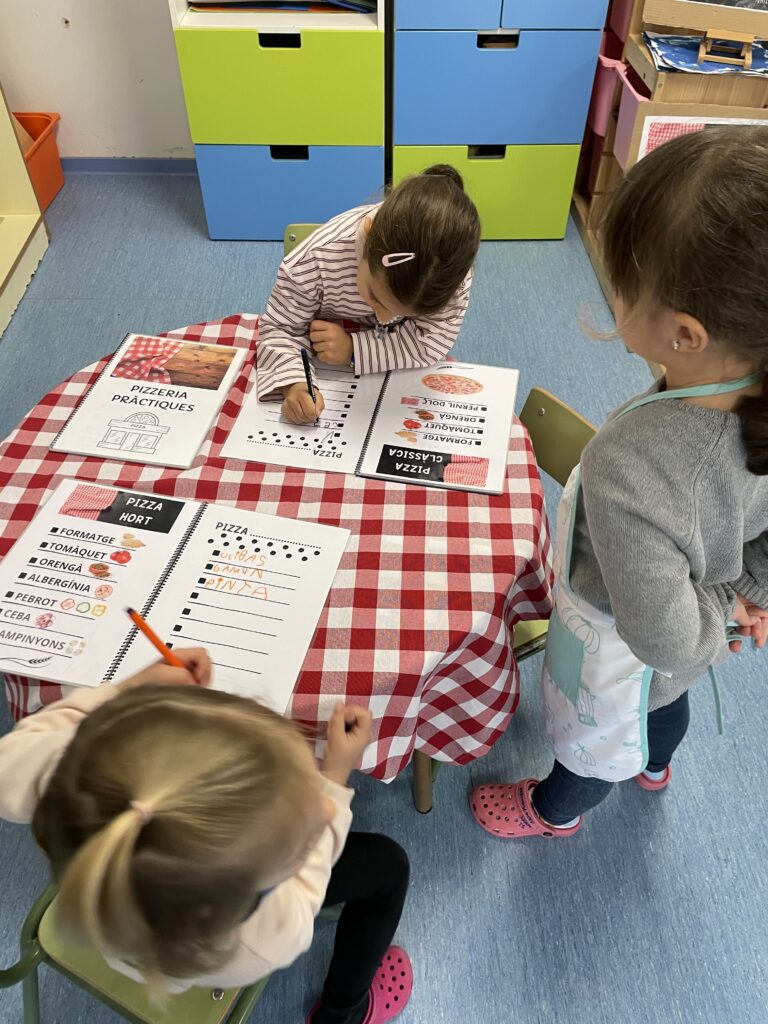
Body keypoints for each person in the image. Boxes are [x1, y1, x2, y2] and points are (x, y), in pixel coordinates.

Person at [470, 126, 768, 839]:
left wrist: (727, 608)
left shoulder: (629, 466)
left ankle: (552, 813)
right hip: (681, 644)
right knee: (664, 710)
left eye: (622, 286)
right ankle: (657, 767)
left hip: (625, 641)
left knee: (593, 746)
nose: (611, 294)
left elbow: (668, 642)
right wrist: (751, 593)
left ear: (686, 334)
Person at [0, 649, 412, 1024]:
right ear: (251, 895)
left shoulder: (67, 772)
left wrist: (132, 688)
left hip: (106, 916)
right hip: (177, 945)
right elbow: (309, 884)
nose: (324, 812)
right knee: (390, 866)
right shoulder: (267, 938)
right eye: (298, 842)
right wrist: (334, 781)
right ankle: (344, 1012)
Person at [258, 164, 481, 424]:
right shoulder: (315, 260)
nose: (384, 318)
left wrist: (353, 350)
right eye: (375, 296)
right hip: (323, 349)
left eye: (404, 312)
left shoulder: (447, 278)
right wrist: (295, 385)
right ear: (367, 235)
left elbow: (430, 341)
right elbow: (280, 330)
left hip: (379, 364)